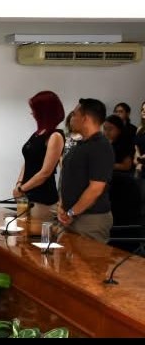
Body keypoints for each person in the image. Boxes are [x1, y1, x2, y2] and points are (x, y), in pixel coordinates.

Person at [57, 98, 114, 243]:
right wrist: (63, 205)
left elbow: (96, 188)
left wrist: (72, 212)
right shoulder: (82, 144)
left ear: (85, 118)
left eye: (74, 114)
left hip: (90, 220)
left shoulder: (101, 146)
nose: (72, 118)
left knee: (88, 258)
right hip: (71, 217)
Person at [12, 91, 65, 221]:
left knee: (35, 231)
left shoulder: (55, 136)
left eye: (35, 110)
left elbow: (45, 173)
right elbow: (28, 160)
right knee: (21, 228)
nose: (32, 113)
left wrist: (22, 188)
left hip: (42, 198)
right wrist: (19, 183)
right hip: (26, 195)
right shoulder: (37, 134)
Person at [133, 101, 145, 177]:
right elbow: (136, 146)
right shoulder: (140, 128)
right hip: (139, 166)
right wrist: (137, 159)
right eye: (142, 109)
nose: (143, 111)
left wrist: (141, 162)